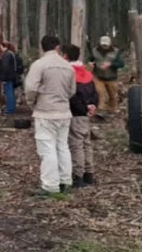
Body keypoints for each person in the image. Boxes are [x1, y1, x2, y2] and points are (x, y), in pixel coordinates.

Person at [24, 35, 76, 195]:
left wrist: (31, 102)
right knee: (63, 146)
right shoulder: (68, 67)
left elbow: (30, 88)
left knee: (47, 149)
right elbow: (72, 90)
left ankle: (50, 186)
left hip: (45, 112)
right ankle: (65, 180)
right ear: (57, 47)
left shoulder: (39, 65)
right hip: (64, 112)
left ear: (42, 47)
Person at [62, 44, 99, 187]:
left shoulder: (68, 73)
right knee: (86, 143)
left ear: (65, 56)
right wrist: (92, 106)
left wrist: (83, 108)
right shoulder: (86, 73)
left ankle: (78, 175)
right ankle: (89, 173)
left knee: (76, 145)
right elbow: (94, 93)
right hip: (85, 114)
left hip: (75, 113)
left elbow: (73, 96)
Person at [88, 35, 124, 114]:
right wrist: (90, 63)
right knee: (100, 94)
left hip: (111, 77)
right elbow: (90, 59)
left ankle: (113, 110)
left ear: (110, 44)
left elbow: (121, 64)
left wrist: (111, 64)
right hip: (98, 77)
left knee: (113, 96)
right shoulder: (94, 51)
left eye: (106, 45)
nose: (104, 46)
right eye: (103, 45)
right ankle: (101, 111)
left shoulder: (116, 51)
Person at [0, 41, 22, 114]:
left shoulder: (7, 55)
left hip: (8, 77)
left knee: (9, 93)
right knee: (10, 93)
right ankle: (11, 108)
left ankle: (10, 109)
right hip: (11, 77)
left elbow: (5, 67)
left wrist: (4, 77)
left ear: (4, 46)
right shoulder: (10, 53)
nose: (0, 48)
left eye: (1, 46)